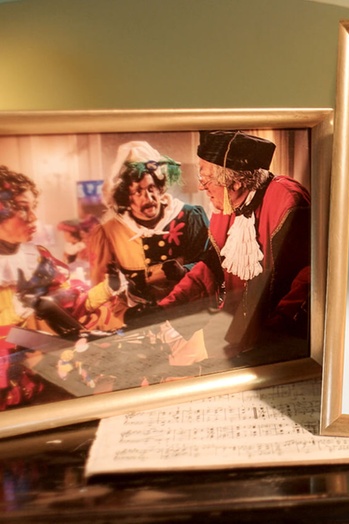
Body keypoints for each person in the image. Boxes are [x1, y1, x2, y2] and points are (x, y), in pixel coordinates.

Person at [159, 131, 311, 360]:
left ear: (236, 182)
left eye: (205, 179)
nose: (202, 188)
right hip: (234, 329)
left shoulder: (288, 202)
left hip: (273, 341)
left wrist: (260, 339)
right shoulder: (226, 206)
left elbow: (304, 283)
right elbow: (211, 267)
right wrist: (166, 307)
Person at [86, 141, 211, 331]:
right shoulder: (109, 232)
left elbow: (212, 267)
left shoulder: (189, 217)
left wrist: (184, 271)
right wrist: (126, 316)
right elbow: (100, 292)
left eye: (152, 188)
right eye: (138, 192)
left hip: (190, 320)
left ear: (160, 188)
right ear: (125, 197)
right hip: (136, 326)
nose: (149, 199)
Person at [0, 166, 88, 409]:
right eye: (22, 208)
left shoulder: (35, 257)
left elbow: (70, 301)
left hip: (36, 387)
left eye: (32, 208)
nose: (33, 218)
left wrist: (113, 292)